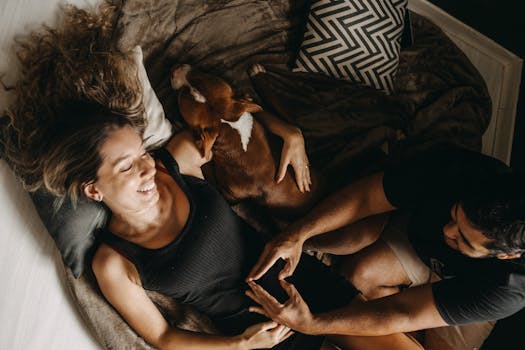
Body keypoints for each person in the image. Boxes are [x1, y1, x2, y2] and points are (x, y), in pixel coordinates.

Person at [5, 97, 424, 349]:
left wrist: (289, 131)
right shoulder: (114, 263)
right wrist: (240, 345)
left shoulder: (179, 160)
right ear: (94, 190)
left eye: (143, 154)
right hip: (262, 333)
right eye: (127, 167)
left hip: (300, 284)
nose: (148, 171)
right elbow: (164, 338)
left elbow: (230, 111)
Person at [246, 146, 525, 349]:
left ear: (506, 254)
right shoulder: (460, 171)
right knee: (359, 276)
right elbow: (366, 198)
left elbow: (404, 312)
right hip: (419, 248)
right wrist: (299, 233)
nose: (447, 231)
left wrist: (311, 324)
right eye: (453, 215)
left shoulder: (506, 289)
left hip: (472, 286)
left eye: (462, 238)